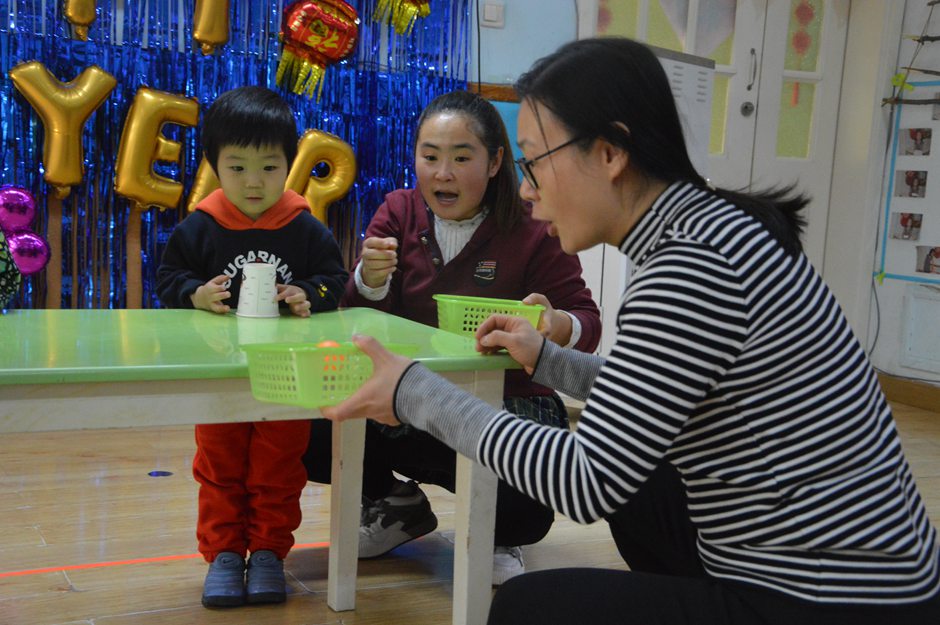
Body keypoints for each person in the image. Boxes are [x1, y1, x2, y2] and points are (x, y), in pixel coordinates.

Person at [319, 38, 940, 625]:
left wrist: (413, 390)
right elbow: (649, 393)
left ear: (610, 154)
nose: (528, 191)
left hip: (837, 600)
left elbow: (585, 481)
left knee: (529, 606)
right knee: (644, 486)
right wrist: (546, 357)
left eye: (536, 163)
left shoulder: (689, 269)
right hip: (866, 573)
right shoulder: (712, 230)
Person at [302, 90, 601, 585]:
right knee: (305, 428)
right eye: (430, 156)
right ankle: (397, 504)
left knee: (526, 512)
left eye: (462, 158)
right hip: (410, 397)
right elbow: (357, 319)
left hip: (504, 404)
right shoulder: (398, 211)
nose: (443, 173)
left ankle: (497, 531)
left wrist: (556, 324)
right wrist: (368, 280)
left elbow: (587, 320)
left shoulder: (533, 226)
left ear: (495, 162)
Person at [156, 86, 348, 608]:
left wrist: (308, 294)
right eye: (237, 168)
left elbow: (334, 280)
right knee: (218, 467)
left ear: (289, 164)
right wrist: (195, 294)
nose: (254, 181)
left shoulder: (304, 227)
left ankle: (268, 552)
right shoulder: (201, 226)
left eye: (269, 167)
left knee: (278, 467)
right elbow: (168, 278)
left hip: (285, 378)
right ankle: (222, 553)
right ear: (214, 165)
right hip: (217, 377)